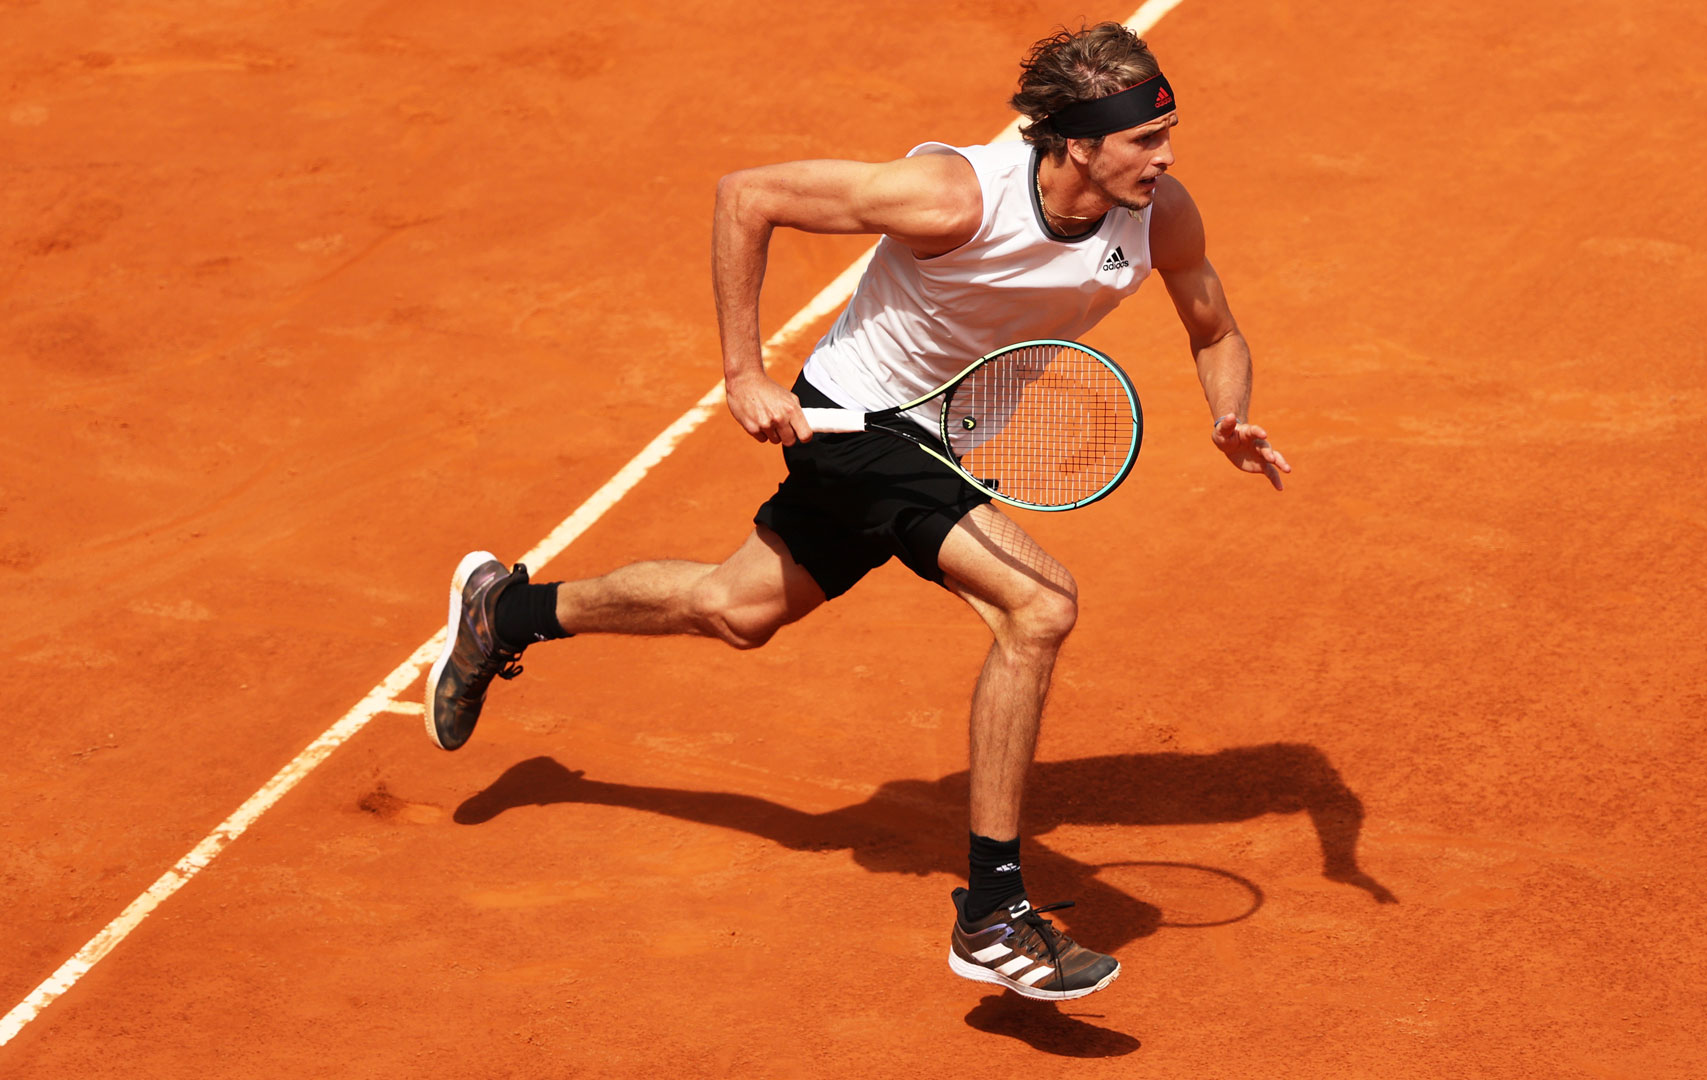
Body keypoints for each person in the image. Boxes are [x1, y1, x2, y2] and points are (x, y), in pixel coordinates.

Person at [425, 22, 1288, 1002]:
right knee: (1040, 605)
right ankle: (992, 912)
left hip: (934, 445)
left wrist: (1229, 414)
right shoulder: (951, 197)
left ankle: (506, 611)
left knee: (737, 610)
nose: (1166, 156)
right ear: (1079, 143)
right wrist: (744, 372)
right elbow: (745, 195)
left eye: (1167, 133)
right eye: (1145, 138)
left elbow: (1215, 327)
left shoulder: (1161, 215)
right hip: (856, 421)